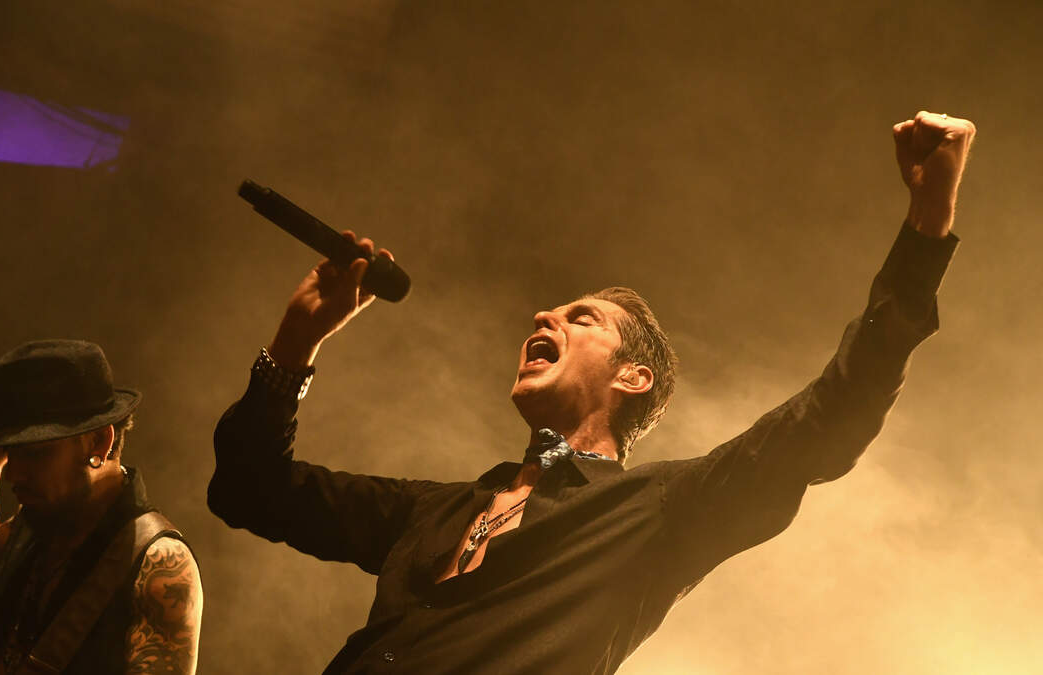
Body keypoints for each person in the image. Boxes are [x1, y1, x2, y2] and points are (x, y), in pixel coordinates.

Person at [208, 111, 975, 673]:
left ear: (633, 376)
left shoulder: (655, 513)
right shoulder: (434, 510)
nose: (543, 317)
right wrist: (298, 337)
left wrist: (927, 223)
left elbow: (830, 415)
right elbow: (249, 488)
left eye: (582, 318)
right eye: (550, 311)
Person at [0, 339, 203, 675]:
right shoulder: (36, 521)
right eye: (10, 452)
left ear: (99, 442)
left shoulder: (159, 564)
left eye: (36, 453)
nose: (15, 473)